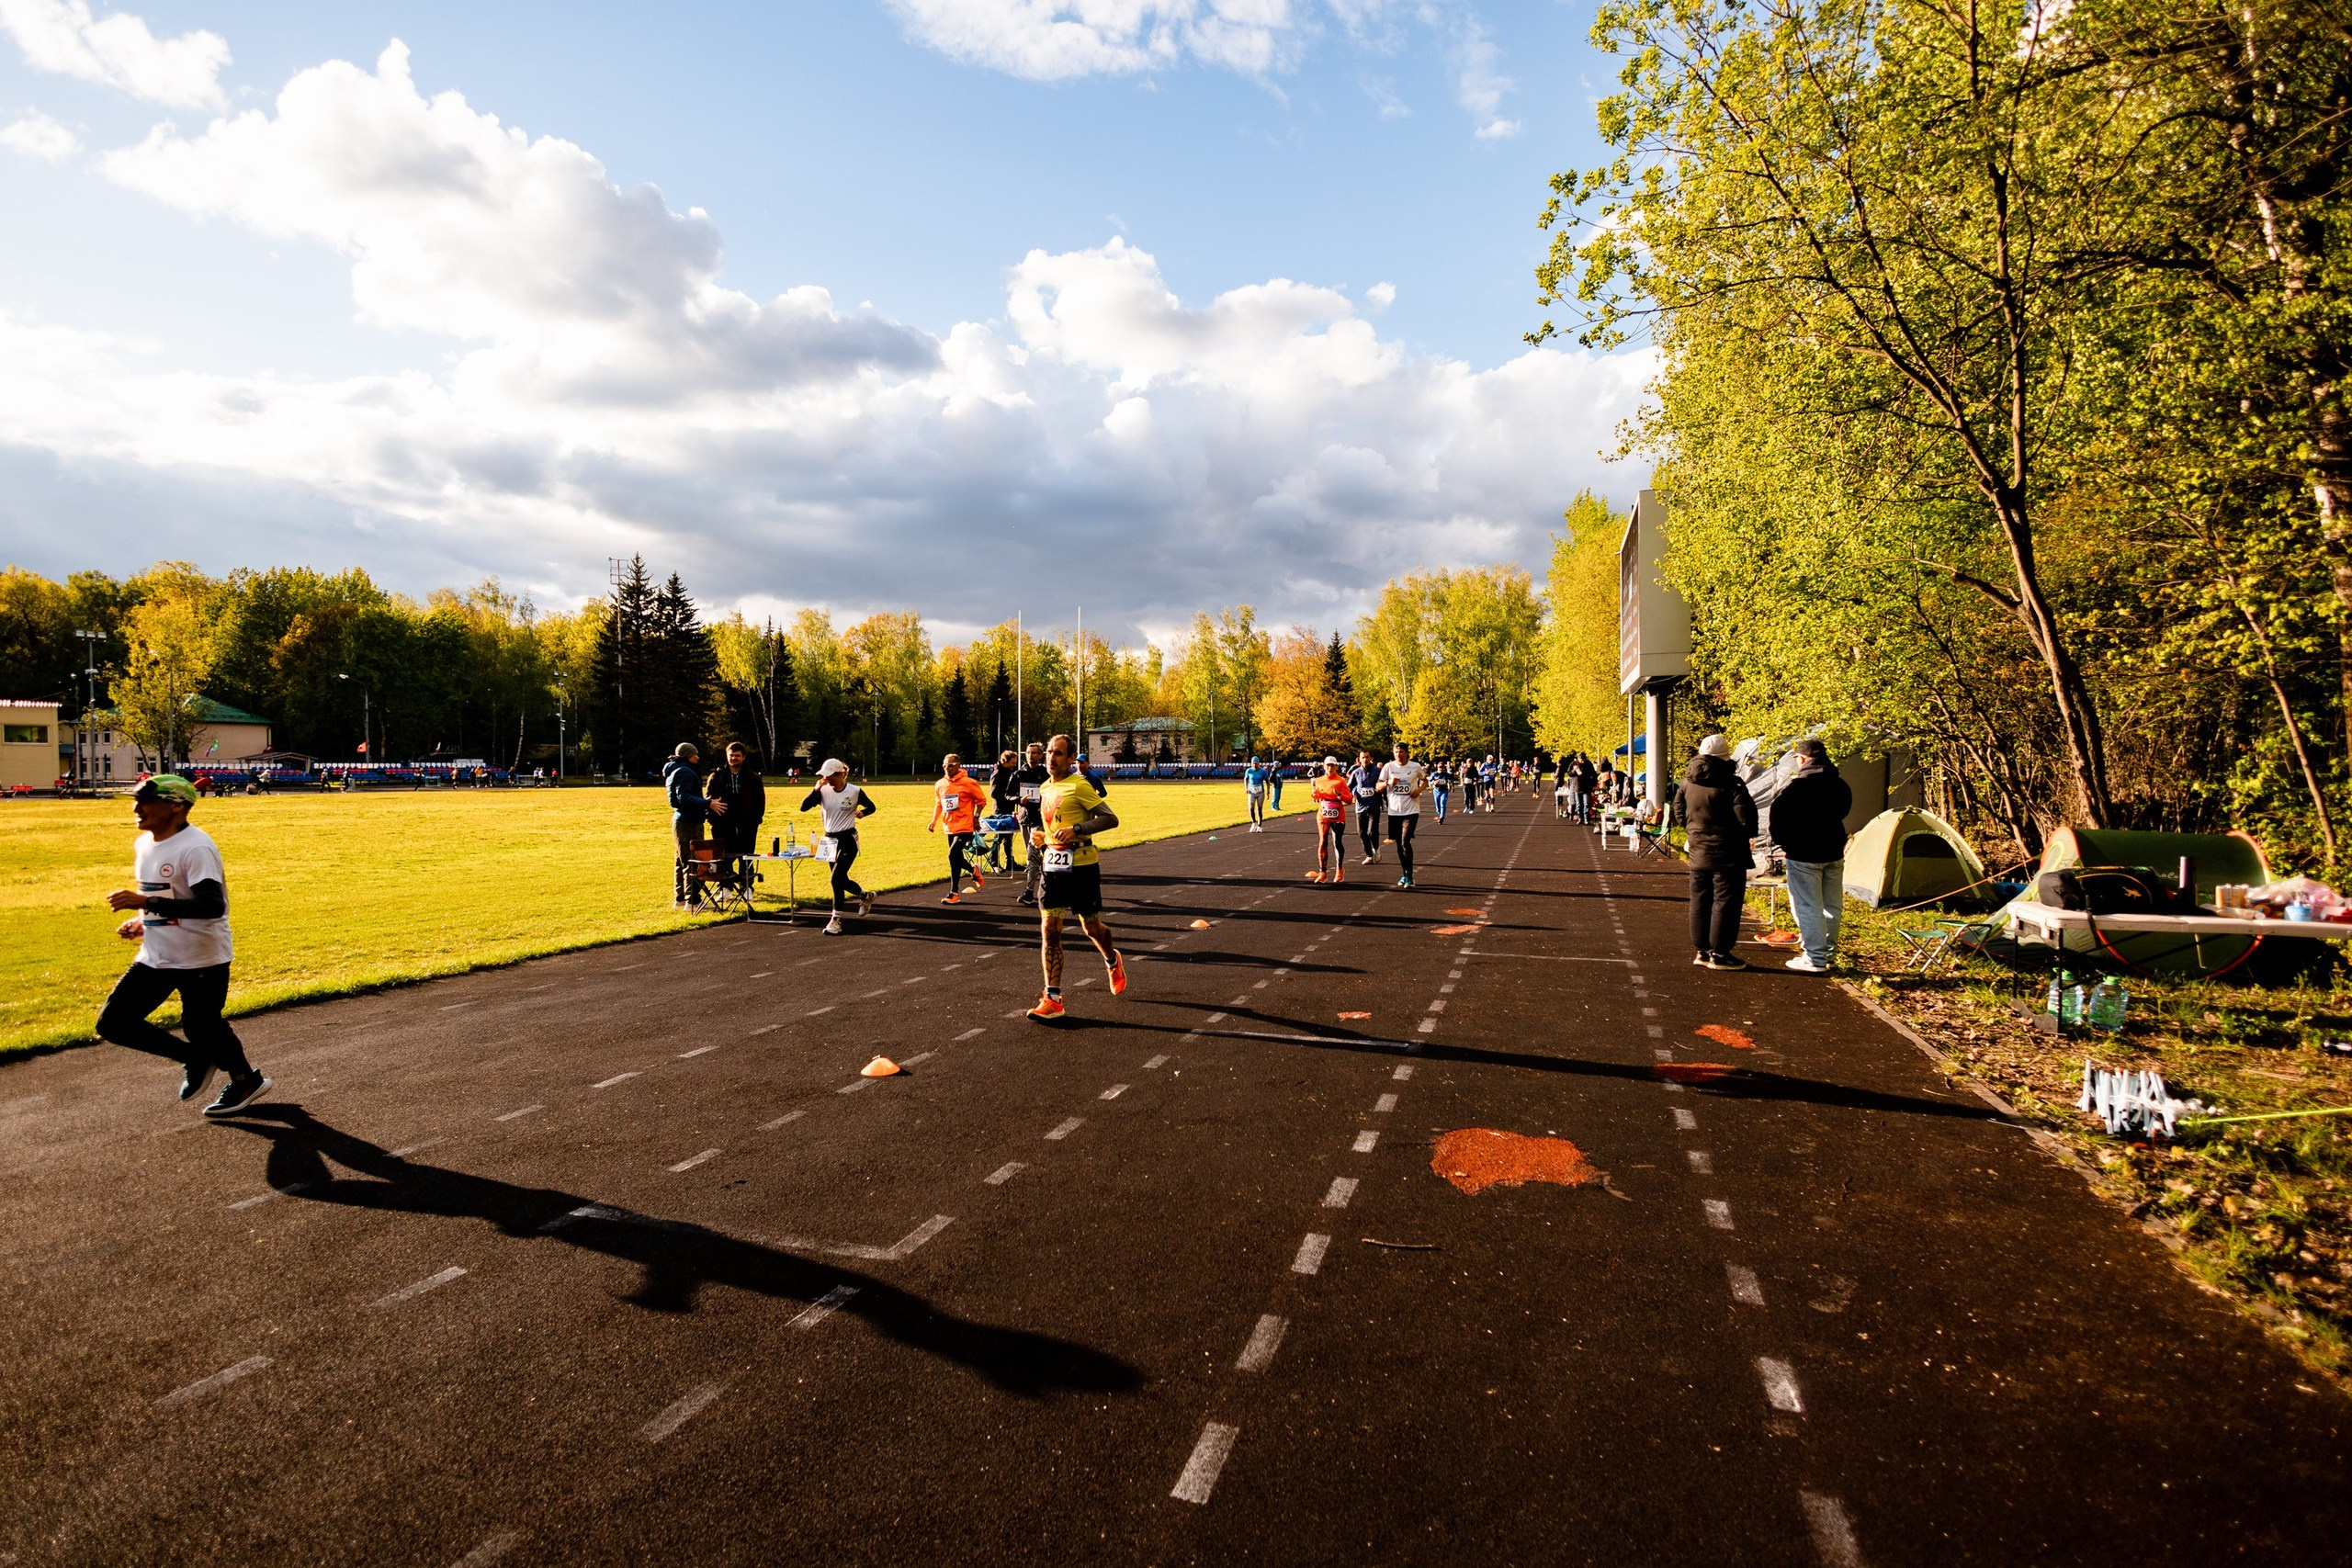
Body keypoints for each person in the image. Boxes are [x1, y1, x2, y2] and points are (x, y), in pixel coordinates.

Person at [96, 773, 270, 1116]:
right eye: (136, 800)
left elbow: (210, 906)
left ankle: (245, 1081)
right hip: (158, 955)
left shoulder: (196, 847)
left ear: (176, 807)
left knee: (202, 1026)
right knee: (113, 1023)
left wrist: (145, 903)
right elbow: (171, 897)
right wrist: (144, 922)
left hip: (201, 958)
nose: (136, 808)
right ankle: (194, 1058)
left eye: (146, 802)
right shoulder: (145, 844)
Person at [1026, 733, 1126, 1021]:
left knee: (1092, 928)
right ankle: (1053, 997)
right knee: (1050, 929)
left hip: (1082, 866)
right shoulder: (1044, 787)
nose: (1051, 758)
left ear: (1071, 759)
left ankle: (1112, 959)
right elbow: (1054, 826)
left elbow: (1110, 819)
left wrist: (1078, 830)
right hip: (1052, 867)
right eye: (1049, 752)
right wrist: (1040, 838)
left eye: (1058, 753)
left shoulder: (1079, 785)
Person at [1673, 734, 1759, 970]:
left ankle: (1701, 950)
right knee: (1726, 903)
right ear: (1726, 757)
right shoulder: (1732, 784)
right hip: (1729, 853)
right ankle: (1720, 953)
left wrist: (1693, 832)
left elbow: (1679, 813)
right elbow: (1747, 821)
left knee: (1700, 900)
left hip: (1698, 850)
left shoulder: (1687, 782)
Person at [1770, 738, 1853, 974]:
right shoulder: (1840, 785)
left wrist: (1784, 842)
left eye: (1797, 758)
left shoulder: (1797, 788)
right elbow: (1844, 811)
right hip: (1833, 850)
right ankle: (1827, 955)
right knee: (1831, 906)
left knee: (1808, 906)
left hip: (1803, 853)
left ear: (1803, 759)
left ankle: (1814, 958)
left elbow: (1777, 818)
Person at [800, 759, 876, 936]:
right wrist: (815, 790)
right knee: (839, 880)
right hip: (828, 840)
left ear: (840, 774)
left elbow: (872, 807)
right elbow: (803, 808)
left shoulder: (855, 791)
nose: (826, 779)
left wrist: (862, 813)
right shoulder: (823, 790)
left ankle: (836, 919)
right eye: (824, 776)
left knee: (836, 879)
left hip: (848, 838)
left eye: (829, 775)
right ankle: (865, 896)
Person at [928, 753, 990, 903]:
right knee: (955, 858)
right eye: (944, 766)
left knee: (952, 854)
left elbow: (981, 801)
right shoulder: (940, 784)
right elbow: (939, 805)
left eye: (950, 765)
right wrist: (933, 822)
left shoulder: (969, 782)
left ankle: (954, 893)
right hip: (949, 826)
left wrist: (976, 817)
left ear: (958, 765)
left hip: (966, 825)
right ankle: (973, 871)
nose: (946, 768)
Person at [705, 741, 766, 887]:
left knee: (746, 856)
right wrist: (712, 819)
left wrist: (755, 820)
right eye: (731, 755)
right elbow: (707, 799)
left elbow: (760, 801)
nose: (734, 758)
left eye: (737, 756)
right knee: (724, 856)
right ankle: (725, 887)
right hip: (722, 823)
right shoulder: (716, 776)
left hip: (747, 824)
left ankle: (746, 886)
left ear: (743, 757)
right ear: (727, 756)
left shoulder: (753, 778)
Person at [1375, 740, 1428, 889]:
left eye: (1402, 752)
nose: (1399, 754)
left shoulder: (1415, 767)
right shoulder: (1388, 767)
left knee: (1405, 842)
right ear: (1393, 753)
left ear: (1407, 753)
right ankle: (1405, 874)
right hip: (1394, 811)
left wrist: (1419, 790)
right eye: (1396, 752)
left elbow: (1425, 781)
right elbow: (1378, 787)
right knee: (1399, 844)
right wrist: (1388, 782)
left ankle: (1409, 876)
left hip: (1411, 811)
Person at [664, 742, 707, 909]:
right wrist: (707, 803)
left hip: (680, 820)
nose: (697, 757)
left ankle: (680, 897)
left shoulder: (675, 770)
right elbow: (685, 798)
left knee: (681, 860)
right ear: (688, 756)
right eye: (695, 754)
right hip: (689, 821)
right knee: (692, 860)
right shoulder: (685, 772)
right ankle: (693, 900)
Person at [1011, 740, 1051, 907]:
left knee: (1032, 855)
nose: (1031, 756)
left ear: (1041, 755)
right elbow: (1006, 796)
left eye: (1034, 753)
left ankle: (1029, 891)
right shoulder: (1018, 774)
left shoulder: (1047, 774)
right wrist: (1019, 800)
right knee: (1040, 856)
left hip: (1040, 820)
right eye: (1028, 752)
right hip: (1024, 820)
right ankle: (1051, 887)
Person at [1307, 756, 1352, 883]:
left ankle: (1339, 869)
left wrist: (1339, 795)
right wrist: (1314, 793)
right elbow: (1316, 795)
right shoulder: (1319, 780)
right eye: (1328, 765)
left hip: (1338, 814)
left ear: (1336, 767)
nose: (1330, 768)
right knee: (1323, 841)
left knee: (1337, 842)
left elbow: (1349, 800)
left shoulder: (1341, 781)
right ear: (1324, 766)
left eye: (1332, 765)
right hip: (1323, 813)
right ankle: (1323, 872)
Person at [987, 749, 1022, 873]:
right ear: (1004, 761)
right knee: (999, 837)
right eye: (1012, 763)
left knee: (1008, 837)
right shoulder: (997, 774)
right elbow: (994, 793)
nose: (1014, 765)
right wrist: (1009, 799)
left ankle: (1009, 862)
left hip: (1009, 809)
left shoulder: (1009, 773)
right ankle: (994, 861)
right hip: (1000, 810)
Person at [1348, 750, 1385, 864]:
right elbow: (1349, 787)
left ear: (1371, 758)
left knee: (1372, 832)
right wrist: (1352, 793)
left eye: (1367, 757)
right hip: (1360, 807)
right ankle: (1368, 855)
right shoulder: (1356, 772)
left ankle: (1376, 849)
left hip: (1374, 806)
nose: (1365, 759)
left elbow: (1384, 785)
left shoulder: (1378, 771)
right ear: (1359, 759)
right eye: (1363, 757)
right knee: (1361, 832)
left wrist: (1384, 798)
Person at [1243, 756, 1269, 831]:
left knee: (1259, 809)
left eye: (1256, 764)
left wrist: (1268, 791)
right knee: (1251, 808)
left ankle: (1259, 826)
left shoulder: (1262, 771)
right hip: (1252, 792)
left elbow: (1267, 781)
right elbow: (1245, 779)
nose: (1255, 765)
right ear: (1251, 764)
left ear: (1259, 764)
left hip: (1260, 792)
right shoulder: (1249, 771)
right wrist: (1246, 788)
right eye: (1253, 764)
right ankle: (1253, 823)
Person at [1430, 759, 1453, 823]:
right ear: (1437, 768)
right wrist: (1434, 783)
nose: (1441, 769)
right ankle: (1440, 814)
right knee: (1438, 807)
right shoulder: (1434, 774)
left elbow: (1451, 778)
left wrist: (1451, 784)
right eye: (1440, 767)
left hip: (1444, 791)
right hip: (1436, 791)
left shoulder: (1446, 774)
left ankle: (1441, 817)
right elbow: (1429, 781)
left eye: (1442, 767)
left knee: (1442, 804)